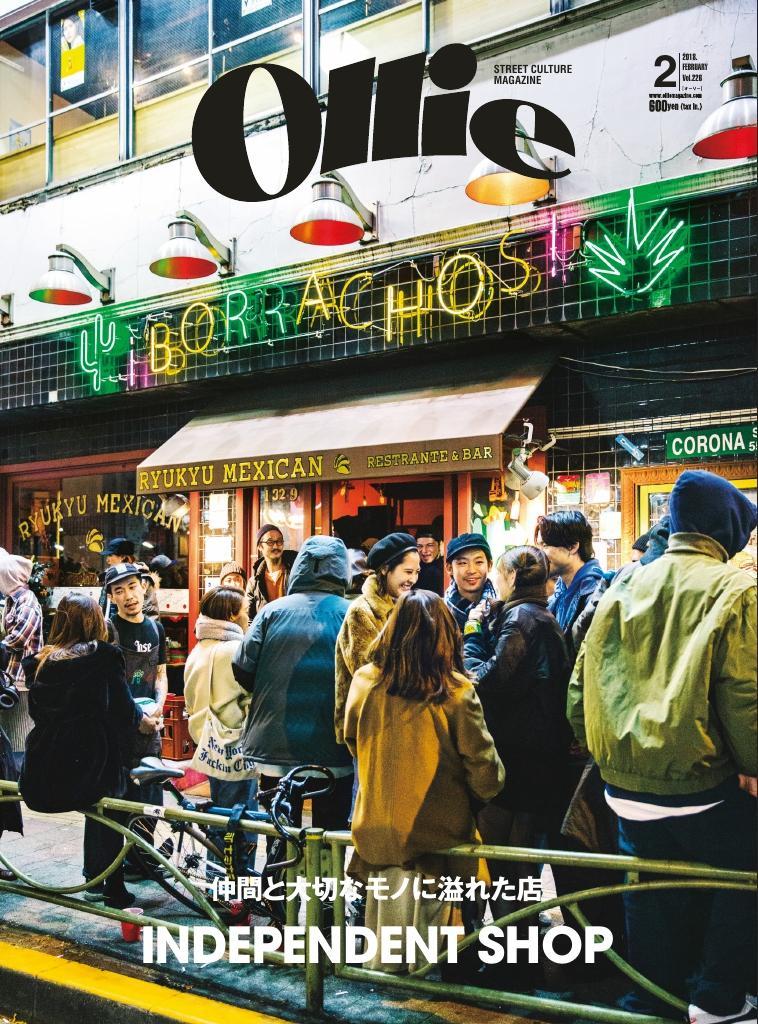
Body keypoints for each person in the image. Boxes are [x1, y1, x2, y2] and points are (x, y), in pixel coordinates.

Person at [567, 470, 757, 1024]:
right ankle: (718, 998)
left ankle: (650, 997)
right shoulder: (736, 589)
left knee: (649, 887)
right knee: (742, 876)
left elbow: (581, 683)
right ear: (728, 529)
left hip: (623, 786)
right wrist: (753, 763)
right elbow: (744, 692)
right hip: (700, 784)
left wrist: (598, 747)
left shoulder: (625, 581)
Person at [344, 590, 504, 972]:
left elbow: (351, 738)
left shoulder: (365, 681)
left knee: (386, 940)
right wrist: (482, 793)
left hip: (377, 826)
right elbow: (485, 768)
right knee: (432, 949)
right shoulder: (456, 691)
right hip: (438, 835)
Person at [462, 545, 571, 978]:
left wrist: (473, 634)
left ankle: (514, 957)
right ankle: (517, 952)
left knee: (508, 861)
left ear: (510, 577)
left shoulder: (523, 618)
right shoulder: (536, 615)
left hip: (519, 758)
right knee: (515, 861)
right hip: (537, 754)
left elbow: (487, 680)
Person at [20, 594, 160, 909]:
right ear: (96, 621)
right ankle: (113, 888)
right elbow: (125, 712)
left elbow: (38, 713)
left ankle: (94, 879)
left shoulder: (38, 662)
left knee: (99, 810)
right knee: (112, 811)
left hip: (43, 766)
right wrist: (145, 722)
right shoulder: (105, 656)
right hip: (93, 762)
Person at [233, 536, 354, 829]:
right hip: (333, 746)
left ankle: (281, 862)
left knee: (280, 831)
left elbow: (242, 667)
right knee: (329, 834)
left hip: (275, 744)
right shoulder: (351, 613)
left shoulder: (271, 612)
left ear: (300, 567)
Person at [104, 561, 168, 877]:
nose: (128, 596)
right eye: (119, 590)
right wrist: (136, 716)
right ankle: (116, 866)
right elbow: (109, 684)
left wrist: (158, 708)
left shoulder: (156, 629)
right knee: (121, 797)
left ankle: (142, 859)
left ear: (143, 587)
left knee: (151, 795)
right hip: (119, 729)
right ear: (111, 597)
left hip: (149, 728)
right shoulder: (108, 630)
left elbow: (161, 675)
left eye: (132, 587)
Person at [334, 533, 419, 745]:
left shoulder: (408, 606)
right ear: (385, 569)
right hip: (369, 728)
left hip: (401, 724)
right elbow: (369, 677)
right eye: (408, 572)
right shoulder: (361, 612)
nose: (413, 579)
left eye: (417, 572)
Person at [184, 586, 258, 817]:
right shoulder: (234, 650)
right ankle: (229, 843)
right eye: (245, 610)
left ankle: (218, 843)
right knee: (239, 817)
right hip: (234, 745)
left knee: (221, 812)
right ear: (231, 616)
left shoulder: (198, 649)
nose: (248, 617)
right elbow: (253, 695)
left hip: (208, 742)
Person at [535, 511, 606, 666]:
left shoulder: (595, 594)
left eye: (545, 545)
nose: (538, 554)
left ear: (572, 546)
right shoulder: (561, 590)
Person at [0, 549, 44, 773]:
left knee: (19, 732)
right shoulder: (12, 600)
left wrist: (1, 645)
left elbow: (18, 638)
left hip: (22, 680)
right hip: (12, 678)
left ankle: (20, 778)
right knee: (10, 730)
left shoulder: (27, 601)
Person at [443, 533, 496, 632]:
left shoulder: (502, 607)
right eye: (463, 563)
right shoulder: (439, 612)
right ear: (449, 568)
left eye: (478, 562)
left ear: (489, 565)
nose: (471, 570)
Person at [245, 525, 297, 620]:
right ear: (260, 546)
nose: (276, 546)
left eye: (279, 541)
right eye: (270, 542)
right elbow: (250, 619)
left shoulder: (296, 573)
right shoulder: (254, 583)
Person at [99, 537, 135, 619]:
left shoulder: (138, 578)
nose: (107, 560)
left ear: (122, 557)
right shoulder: (110, 577)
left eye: (110, 555)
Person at [413, 527, 445, 596]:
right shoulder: (413, 568)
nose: (424, 551)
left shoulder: (446, 568)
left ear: (440, 545)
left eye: (430, 545)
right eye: (420, 546)